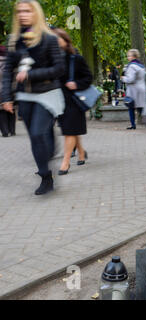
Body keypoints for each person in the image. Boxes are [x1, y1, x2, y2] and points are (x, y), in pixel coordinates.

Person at [1, 0, 65, 195]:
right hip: (25, 96)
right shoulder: (14, 41)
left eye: (27, 10)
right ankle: (46, 172)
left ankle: (46, 177)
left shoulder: (49, 39)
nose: (22, 14)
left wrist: (31, 74)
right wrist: (6, 98)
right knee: (35, 137)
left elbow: (59, 68)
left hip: (47, 94)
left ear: (35, 13)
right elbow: (7, 73)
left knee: (38, 133)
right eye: (19, 11)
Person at [52, 28, 92, 176]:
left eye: (58, 38)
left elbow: (88, 77)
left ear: (65, 40)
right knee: (71, 130)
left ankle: (65, 162)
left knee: (69, 131)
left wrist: (76, 84)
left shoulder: (76, 58)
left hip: (73, 100)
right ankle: (81, 152)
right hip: (57, 100)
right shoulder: (51, 59)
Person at [121, 49, 146, 130]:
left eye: (129, 56)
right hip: (141, 89)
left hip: (134, 90)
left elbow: (130, 79)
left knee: (132, 107)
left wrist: (123, 78)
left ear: (133, 56)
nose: (128, 57)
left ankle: (134, 124)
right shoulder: (141, 65)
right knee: (139, 108)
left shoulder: (132, 66)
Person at [0, 45, 16, 137]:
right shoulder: (10, 62)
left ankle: (5, 131)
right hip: (10, 89)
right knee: (11, 109)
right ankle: (12, 130)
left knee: (1, 110)